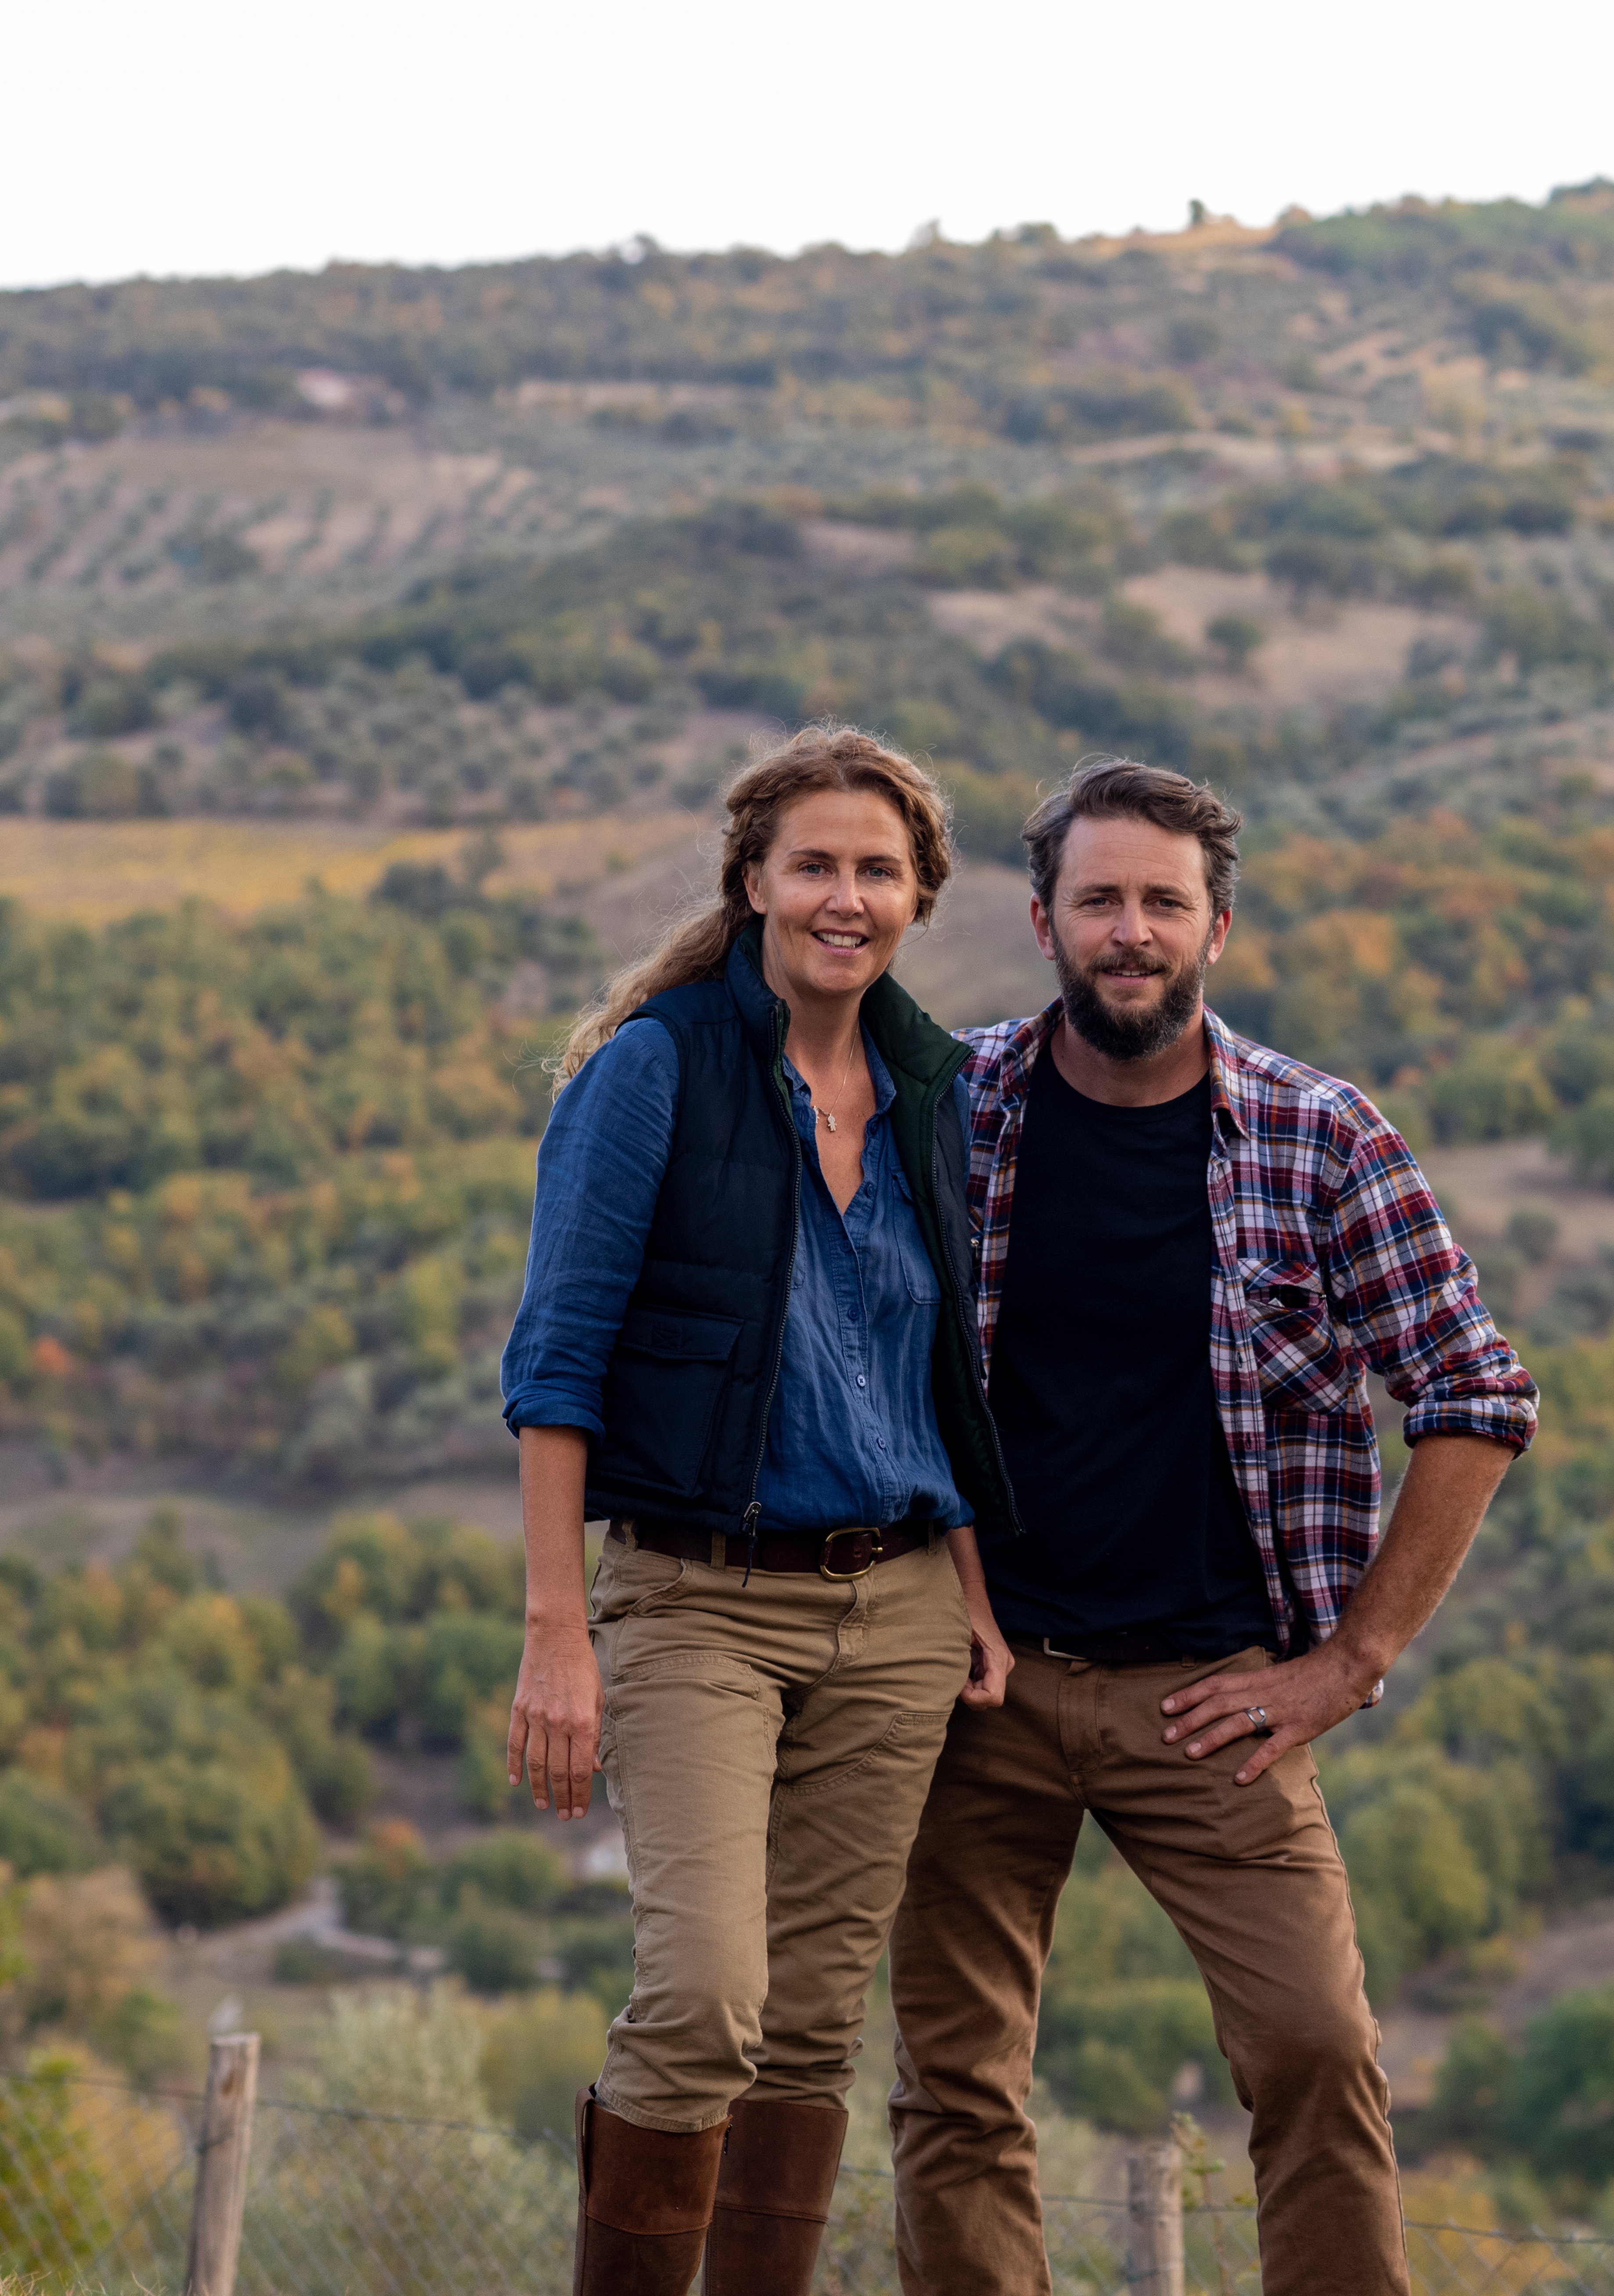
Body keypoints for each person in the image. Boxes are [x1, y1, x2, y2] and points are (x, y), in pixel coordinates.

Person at [885, 757, 1538, 2296]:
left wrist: (1349, 1663)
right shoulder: (953, 1110)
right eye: (1099, 900)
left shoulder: (1320, 1136)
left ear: (1216, 929)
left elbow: (1475, 1392)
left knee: (1316, 2051)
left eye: (1162, 904)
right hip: (977, 1680)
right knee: (955, 2084)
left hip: (1216, 1699)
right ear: (1042, 922)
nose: (1131, 931)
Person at [501, 725, 1021, 2296]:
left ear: (919, 899)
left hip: (900, 1611)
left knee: (808, 2028)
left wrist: (971, 1593)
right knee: (703, 2004)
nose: (844, 897)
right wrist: (556, 1635)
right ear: (752, 883)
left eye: (878, 871)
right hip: (697, 1603)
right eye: (814, 866)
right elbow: (557, 1360)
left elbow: (935, 1373)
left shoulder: (933, 1092)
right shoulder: (653, 1070)